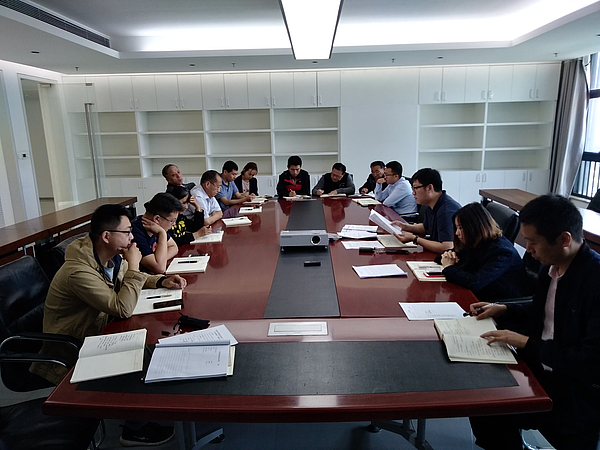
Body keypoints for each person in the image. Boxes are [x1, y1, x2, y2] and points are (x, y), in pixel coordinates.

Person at [30, 204, 186, 446]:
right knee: (141, 349)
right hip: (72, 346)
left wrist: (161, 281)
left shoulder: (108, 257)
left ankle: (141, 411)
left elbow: (128, 281)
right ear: (106, 236)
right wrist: (134, 265)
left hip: (98, 329)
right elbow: (122, 308)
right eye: (127, 232)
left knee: (151, 337)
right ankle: (134, 430)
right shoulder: (79, 271)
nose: (132, 237)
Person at [468, 195, 600, 450]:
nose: (527, 249)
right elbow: (548, 310)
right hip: (542, 367)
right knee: (482, 399)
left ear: (564, 240)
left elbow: (589, 361)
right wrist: (505, 308)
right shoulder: (552, 266)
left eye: (533, 242)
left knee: (493, 406)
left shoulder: (594, 281)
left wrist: (526, 342)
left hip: (575, 390)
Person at [438, 202, 532, 301]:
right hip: (482, 296)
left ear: (474, 228)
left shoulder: (502, 252)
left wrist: (448, 267)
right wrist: (447, 256)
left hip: (500, 302)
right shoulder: (477, 242)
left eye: (460, 228)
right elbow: (448, 256)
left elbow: (475, 283)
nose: (457, 233)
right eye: (456, 228)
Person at [391, 168, 460, 254]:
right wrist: (405, 227)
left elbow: (447, 247)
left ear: (429, 188)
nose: (413, 193)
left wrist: (415, 239)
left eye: (415, 188)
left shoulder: (446, 211)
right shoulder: (431, 203)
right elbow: (426, 228)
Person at [131, 192, 182, 274]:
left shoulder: (155, 226)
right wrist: (162, 234)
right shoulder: (135, 233)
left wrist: (160, 259)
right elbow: (160, 268)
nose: (174, 224)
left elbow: (174, 247)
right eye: (172, 221)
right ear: (157, 219)